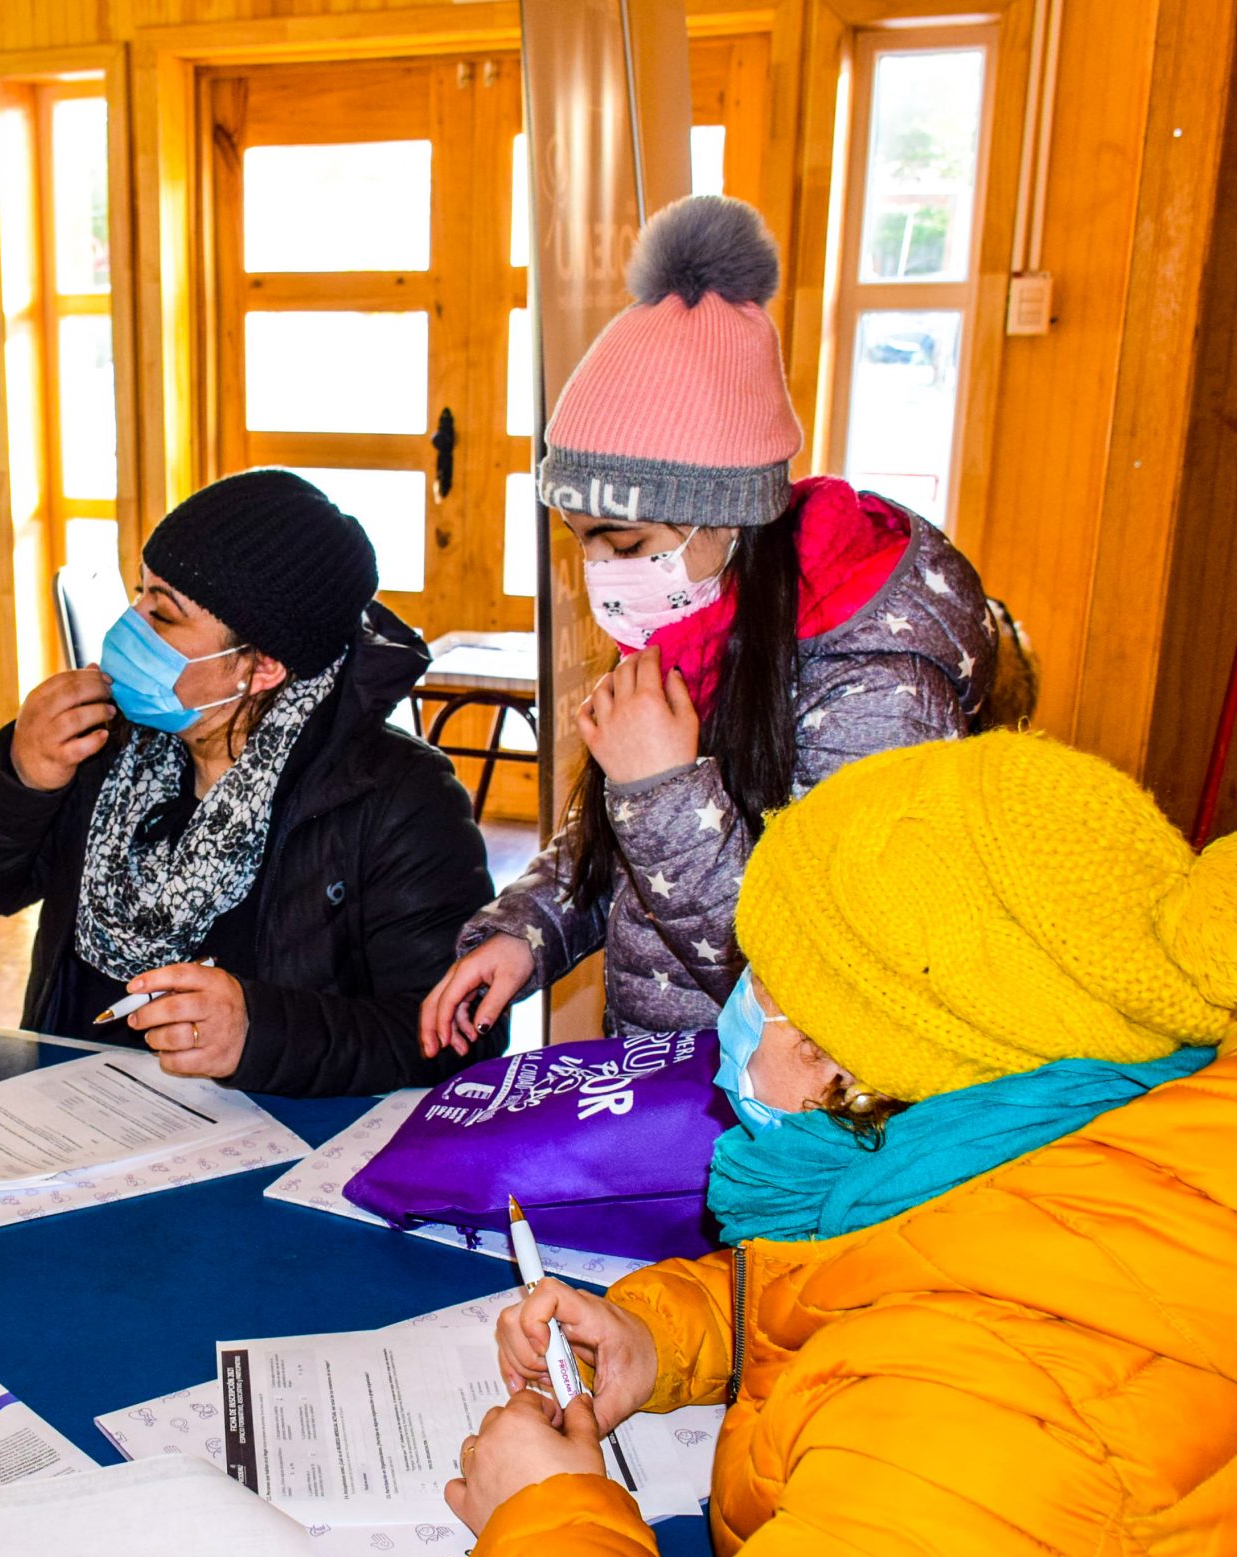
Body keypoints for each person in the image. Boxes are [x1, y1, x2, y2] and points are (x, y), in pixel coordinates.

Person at [447, 730, 1237, 1557]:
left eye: (762, 990)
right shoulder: (1110, 1141)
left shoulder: (992, 1418)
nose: (735, 1020)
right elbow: (904, 1272)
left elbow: (966, 1386)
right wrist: (664, 1335)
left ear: (845, 1070)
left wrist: (542, 1518)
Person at [420, 196, 1011, 1059]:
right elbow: (621, 845)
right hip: (669, 1092)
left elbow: (817, 976)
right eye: (584, 545)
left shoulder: (884, 686)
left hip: (782, 1127)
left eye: (626, 543)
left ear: (728, 519)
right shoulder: (697, 608)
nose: (604, 575)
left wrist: (661, 787)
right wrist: (529, 929)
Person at [0, 468, 505, 1098]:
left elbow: (457, 1032)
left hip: (266, 1141)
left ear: (262, 666)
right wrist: (21, 774)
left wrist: (258, 1034)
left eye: (163, 613)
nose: (131, 625)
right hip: (69, 1110)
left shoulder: (398, 797)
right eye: (140, 594)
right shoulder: (104, 740)